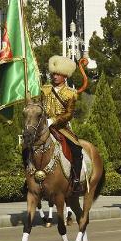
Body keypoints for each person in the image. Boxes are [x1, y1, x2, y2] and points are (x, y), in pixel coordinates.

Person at [41, 55, 83, 191]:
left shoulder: (71, 94)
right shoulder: (44, 89)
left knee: (77, 149)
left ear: (65, 76)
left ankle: (76, 179)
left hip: (61, 127)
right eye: (53, 74)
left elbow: (69, 114)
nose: (55, 77)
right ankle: (28, 179)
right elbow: (39, 105)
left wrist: (53, 120)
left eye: (58, 74)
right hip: (43, 126)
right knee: (28, 145)